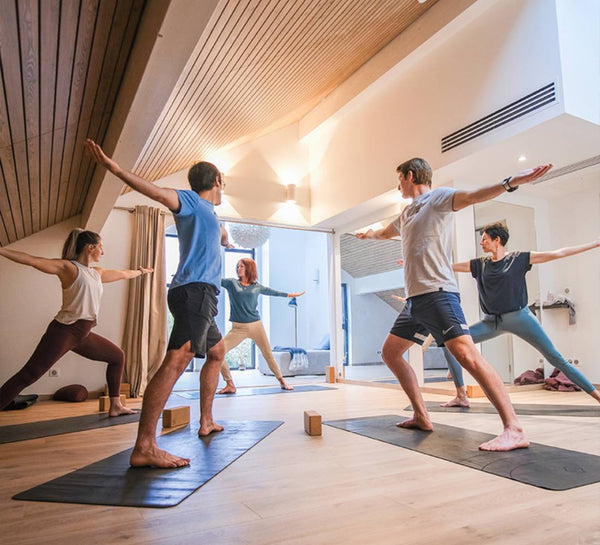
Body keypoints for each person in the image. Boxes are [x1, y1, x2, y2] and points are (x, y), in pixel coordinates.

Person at [356, 157, 552, 451]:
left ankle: (514, 428)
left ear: (410, 176)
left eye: (400, 180)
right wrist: (367, 234)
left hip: (438, 293)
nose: (398, 186)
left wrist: (511, 182)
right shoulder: (407, 212)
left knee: (468, 357)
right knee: (391, 353)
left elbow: (473, 196)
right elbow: (385, 232)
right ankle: (422, 416)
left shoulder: (439, 198)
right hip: (416, 300)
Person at [85, 138, 228, 468]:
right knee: (177, 360)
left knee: (217, 353)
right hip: (194, 293)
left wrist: (223, 235)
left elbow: (217, 237)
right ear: (217, 181)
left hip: (204, 296)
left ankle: (206, 421)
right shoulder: (191, 201)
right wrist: (116, 168)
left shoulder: (209, 214)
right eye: (222, 182)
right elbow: (156, 192)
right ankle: (145, 445)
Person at [441, 223, 600, 407]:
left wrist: (593, 244)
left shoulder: (519, 259)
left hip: (520, 318)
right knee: (449, 342)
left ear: (497, 240)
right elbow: (448, 266)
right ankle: (461, 395)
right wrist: (417, 263)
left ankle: (596, 395)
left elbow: (557, 253)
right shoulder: (480, 265)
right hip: (491, 322)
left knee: (555, 358)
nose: (481, 243)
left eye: (484, 239)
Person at [0, 229, 151, 416]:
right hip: (64, 331)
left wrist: (141, 271)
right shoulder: (69, 268)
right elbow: (32, 260)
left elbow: (123, 274)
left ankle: (115, 406)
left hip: (83, 333)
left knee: (117, 357)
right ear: (90, 247)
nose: (102, 253)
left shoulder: (97, 273)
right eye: (101, 248)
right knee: (29, 375)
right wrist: (2, 251)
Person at [217, 257, 305, 394]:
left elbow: (273, 292)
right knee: (218, 353)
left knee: (268, 354)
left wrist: (290, 295)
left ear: (249, 268)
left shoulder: (257, 287)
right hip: (238, 328)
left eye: (241, 266)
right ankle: (230, 384)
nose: (238, 268)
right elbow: (212, 279)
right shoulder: (231, 283)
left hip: (256, 326)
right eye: (237, 266)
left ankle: (282, 381)